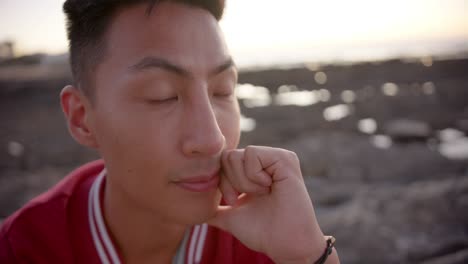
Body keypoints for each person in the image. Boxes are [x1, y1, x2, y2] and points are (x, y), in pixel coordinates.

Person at [0, 0, 340, 263]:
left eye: (222, 90)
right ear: (81, 118)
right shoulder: (23, 249)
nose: (212, 140)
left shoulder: (268, 241)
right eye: (161, 95)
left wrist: (307, 255)